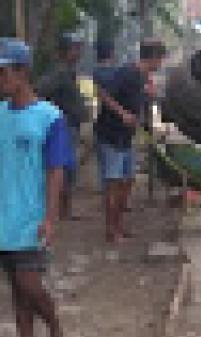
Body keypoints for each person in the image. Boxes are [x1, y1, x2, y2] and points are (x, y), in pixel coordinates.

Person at [0, 37, 72, 337]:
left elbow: (56, 170)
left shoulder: (49, 117)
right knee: (16, 287)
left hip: (31, 213)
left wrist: (50, 216)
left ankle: (56, 332)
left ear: (22, 72)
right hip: (2, 213)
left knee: (30, 282)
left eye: (3, 73)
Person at [92, 39, 164, 244]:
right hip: (111, 136)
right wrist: (122, 113)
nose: (161, 64)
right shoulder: (126, 72)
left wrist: (150, 98)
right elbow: (102, 93)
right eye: (160, 59)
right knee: (113, 184)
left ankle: (119, 224)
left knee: (128, 180)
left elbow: (141, 103)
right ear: (153, 58)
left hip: (126, 137)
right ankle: (111, 229)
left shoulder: (143, 77)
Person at [36, 30, 86, 221]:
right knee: (61, 168)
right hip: (63, 128)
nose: (78, 52)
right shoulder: (59, 72)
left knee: (69, 169)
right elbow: (40, 90)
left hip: (71, 126)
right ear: (65, 51)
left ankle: (65, 209)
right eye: (75, 48)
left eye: (79, 48)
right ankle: (58, 210)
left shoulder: (68, 72)